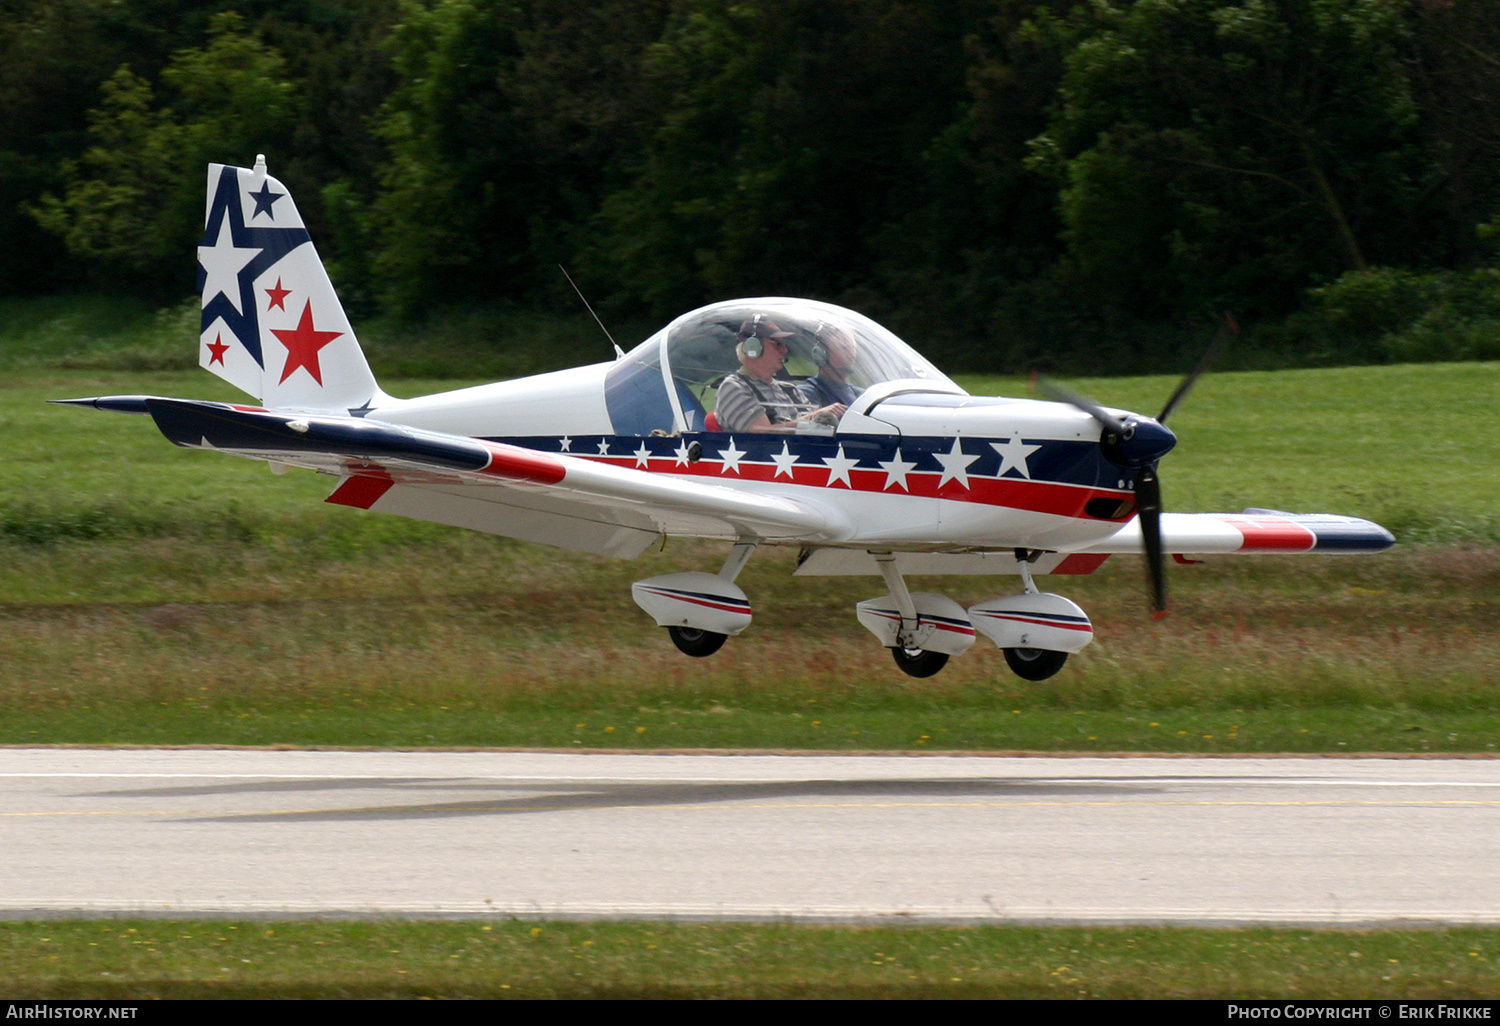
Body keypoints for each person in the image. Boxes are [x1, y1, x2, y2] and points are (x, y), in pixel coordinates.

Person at [714, 316, 846, 432]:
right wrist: (816, 416)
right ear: (753, 348)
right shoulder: (733, 387)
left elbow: (813, 430)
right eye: (777, 345)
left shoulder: (789, 389)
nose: (784, 350)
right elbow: (764, 433)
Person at [799, 323, 864, 408]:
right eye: (843, 348)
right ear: (821, 354)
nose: (851, 354)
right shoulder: (806, 393)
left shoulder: (863, 396)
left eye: (853, 348)